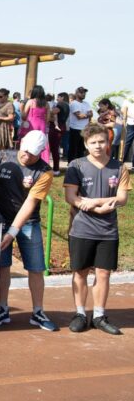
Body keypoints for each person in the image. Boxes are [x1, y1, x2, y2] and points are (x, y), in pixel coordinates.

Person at [64, 123, 130, 335]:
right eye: (93, 142)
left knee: (103, 273)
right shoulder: (76, 165)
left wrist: (95, 202)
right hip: (81, 228)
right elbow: (71, 196)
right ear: (86, 144)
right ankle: (80, 313)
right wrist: (85, 204)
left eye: (102, 141)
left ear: (108, 142)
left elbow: (122, 198)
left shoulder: (119, 167)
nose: (98, 146)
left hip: (108, 230)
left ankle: (99, 315)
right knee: (80, 272)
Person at [0, 131, 58, 331]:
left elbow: (31, 203)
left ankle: (38, 311)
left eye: (33, 154)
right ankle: (1, 308)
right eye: (25, 150)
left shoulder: (44, 172)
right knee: (2, 266)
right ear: (20, 144)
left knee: (36, 268)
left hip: (29, 222)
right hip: (0, 220)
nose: (27, 156)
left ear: (41, 153)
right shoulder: (3, 156)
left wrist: (13, 230)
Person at [20, 85, 51, 164]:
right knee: (42, 143)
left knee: (30, 142)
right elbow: (48, 119)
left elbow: (24, 116)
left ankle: (29, 160)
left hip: (32, 124)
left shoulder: (31, 102)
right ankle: (43, 162)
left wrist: (21, 110)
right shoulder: (46, 104)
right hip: (42, 124)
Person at [68, 87, 93, 161]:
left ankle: (80, 165)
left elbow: (91, 114)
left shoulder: (86, 104)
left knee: (81, 149)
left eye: (84, 93)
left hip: (84, 129)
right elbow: (79, 116)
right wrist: (87, 115)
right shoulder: (74, 104)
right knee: (73, 149)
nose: (83, 94)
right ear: (76, 93)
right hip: (75, 129)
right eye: (81, 92)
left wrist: (85, 115)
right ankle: (71, 164)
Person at [54, 92, 71, 162]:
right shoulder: (67, 105)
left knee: (56, 142)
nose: (57, 99)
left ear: (62, 97)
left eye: (58, 97)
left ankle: (59, 156)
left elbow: (54, 111)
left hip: (59, 124)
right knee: (65, 141)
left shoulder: (60, 104)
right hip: (63, 124)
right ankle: (65, 155)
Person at [121, 95, 134, 163]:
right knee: (127, 143)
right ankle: (122, 161)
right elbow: (123, 110)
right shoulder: (128, 99)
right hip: (131, 124)